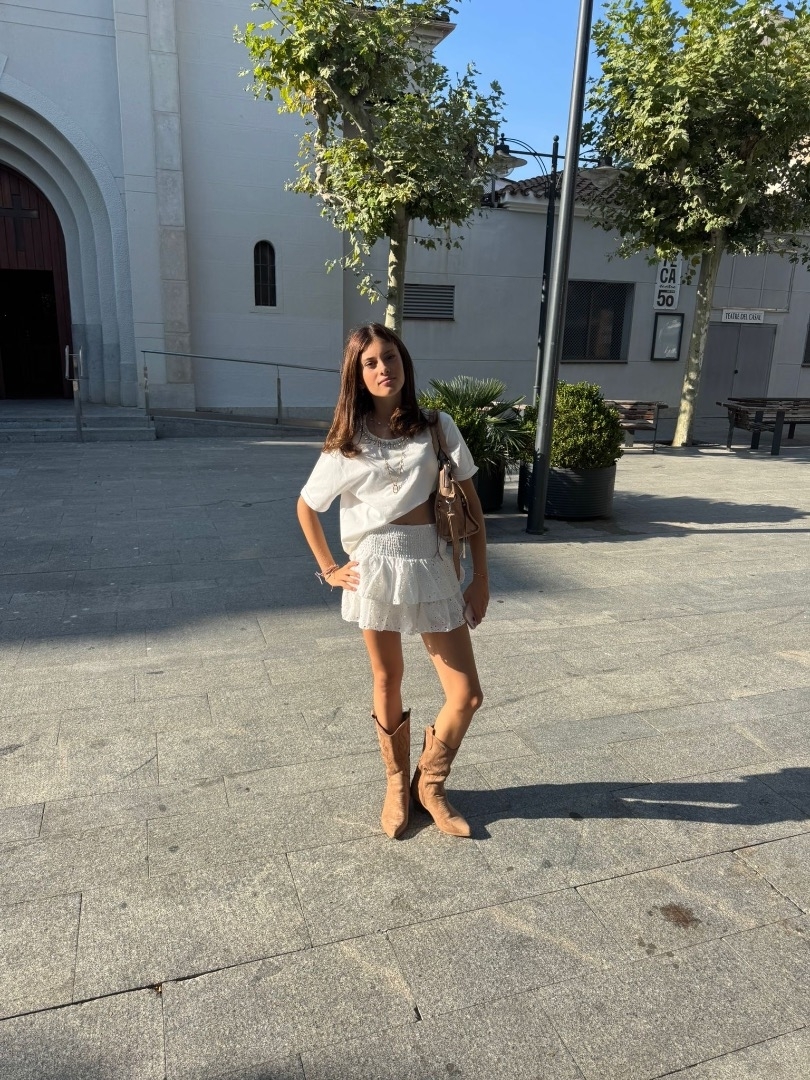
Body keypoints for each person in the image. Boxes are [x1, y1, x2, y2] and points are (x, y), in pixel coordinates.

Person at [297, 323, 489, 840]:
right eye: (371, 363)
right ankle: (396, 782)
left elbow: (472, 505)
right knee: (387, 678)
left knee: (466, 694)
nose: (384, 369)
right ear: (356, 374)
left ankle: (431, 783)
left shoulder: (436, 426)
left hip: (432, 563)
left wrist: (480, 578)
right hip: (375, 566)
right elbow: (307, 506)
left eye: (391, 357)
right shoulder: (347, 441)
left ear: (405, 362)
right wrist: (330, 570)